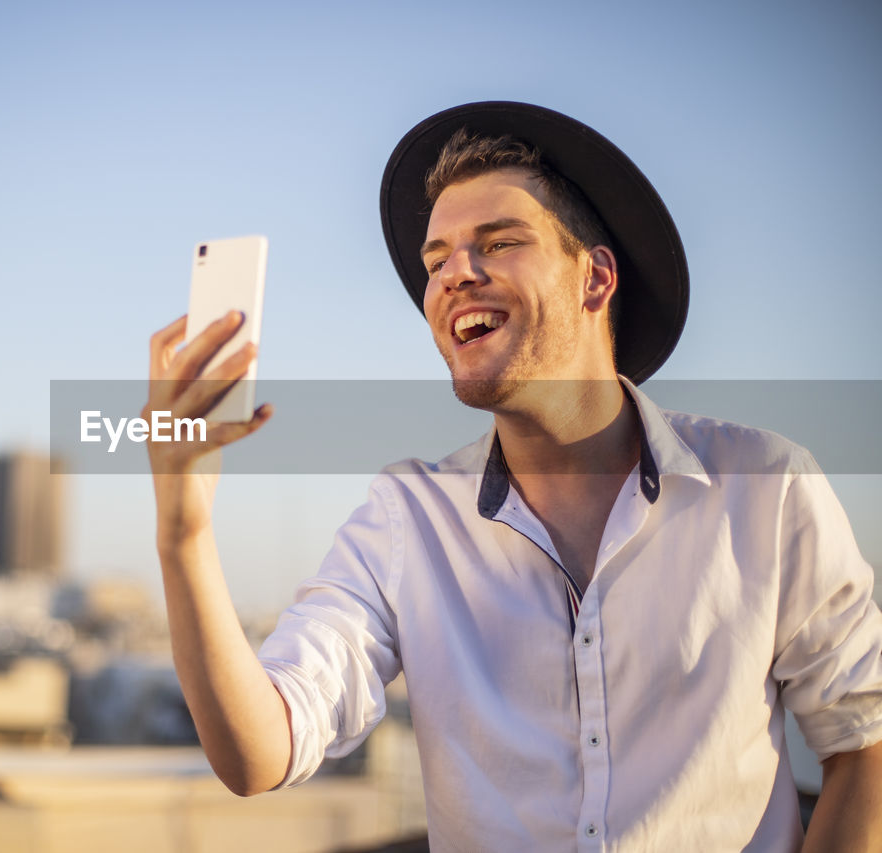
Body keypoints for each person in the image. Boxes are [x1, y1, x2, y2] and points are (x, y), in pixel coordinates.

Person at [144, 102, 882, 851]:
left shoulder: (767, 486)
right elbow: (258, 749)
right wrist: (184, 531)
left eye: (498, 243)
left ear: (595, 278)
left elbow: (866, 744)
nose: (454, 275)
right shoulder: (408, 516)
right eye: (436, 262)